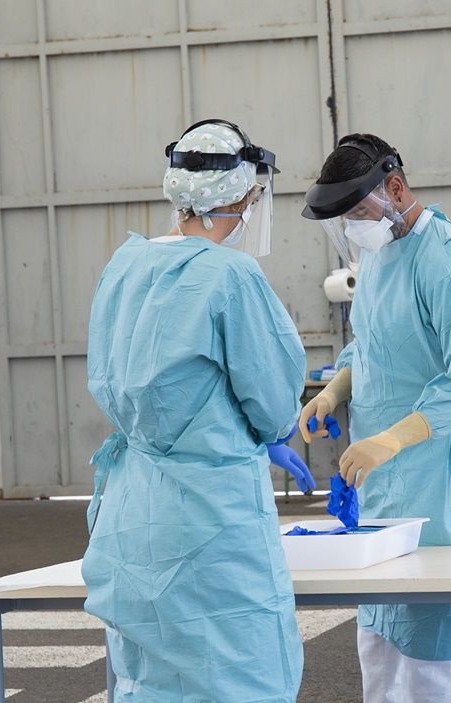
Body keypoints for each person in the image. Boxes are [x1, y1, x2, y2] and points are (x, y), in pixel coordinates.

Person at [82, 119, 314, 701]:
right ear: (246, 195)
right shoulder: (231, 276)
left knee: (149, 682)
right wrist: (272, 433)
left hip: (135, 514)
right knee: (240, 678)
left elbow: (113, 378)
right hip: (212, 523)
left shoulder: (125, 266)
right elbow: (274, 399)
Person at [299, 133, 451, 702]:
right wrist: (332, 393)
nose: (355, 228)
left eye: (358, 212)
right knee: (381, 641)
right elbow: (370, 347)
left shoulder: (448, 260)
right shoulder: (381, 253)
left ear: (395, 187)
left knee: (434, 643)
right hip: (381, 481)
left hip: (434, 479)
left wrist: (392, 438)